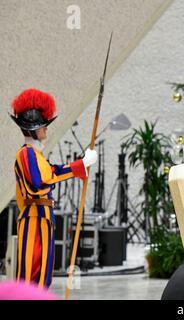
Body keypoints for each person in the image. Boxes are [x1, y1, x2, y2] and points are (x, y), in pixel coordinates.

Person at [10, 88, 98, 289]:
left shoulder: (36, 156)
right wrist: (79, 166)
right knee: (31, 273)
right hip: (34, 218)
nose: (46, 130)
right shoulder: (26, 155)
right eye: (43, 126)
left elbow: (52, 171)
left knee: (42, 274)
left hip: (43, 218)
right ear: (34, 129)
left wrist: (81, 165)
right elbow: (38, 183)